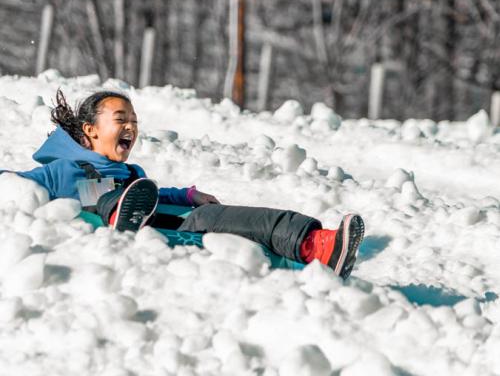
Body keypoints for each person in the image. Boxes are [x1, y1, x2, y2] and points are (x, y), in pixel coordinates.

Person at [10, 89, 364, 279]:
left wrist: (189, 195)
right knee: (100, 197)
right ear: (91, 129)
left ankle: (318, 245)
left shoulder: (130, 175)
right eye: (121, 119)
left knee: (226, 217)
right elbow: (12, 189)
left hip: (153, 216)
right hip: (97, 218)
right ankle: (118, 211)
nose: (131, 127)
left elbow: (155, 196)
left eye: (134, 121)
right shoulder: (60, 171)